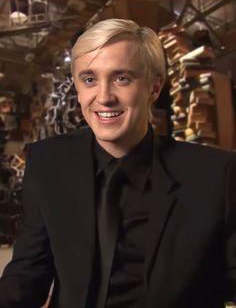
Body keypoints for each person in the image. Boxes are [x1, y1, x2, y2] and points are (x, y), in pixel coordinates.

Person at [0, 18, 236, 308]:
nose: (104, 97)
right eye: (89, 79)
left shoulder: (215, 176)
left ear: (154, 88)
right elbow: (27, 274)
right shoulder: (48, 163)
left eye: (121, 78)